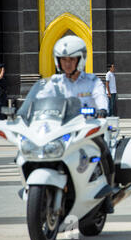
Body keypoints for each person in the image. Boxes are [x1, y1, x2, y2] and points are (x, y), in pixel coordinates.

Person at [36, 35, 114, 213]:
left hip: (86, 131)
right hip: (59, 131)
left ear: (80, 60)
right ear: (58, 61)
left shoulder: (92, 81)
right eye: (64, 59)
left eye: (71, 59)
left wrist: (102, 109)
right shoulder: (54, 83)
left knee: (105, 154)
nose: (67, 63)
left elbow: (101, 98)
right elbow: (40, 98)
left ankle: (108, 196)